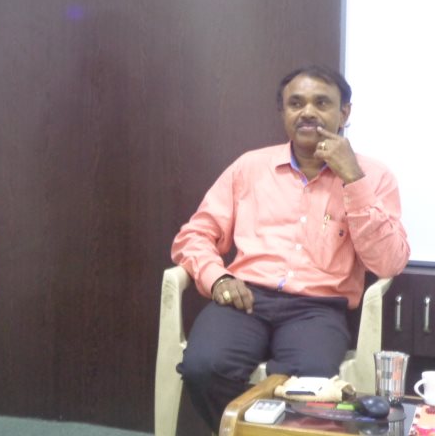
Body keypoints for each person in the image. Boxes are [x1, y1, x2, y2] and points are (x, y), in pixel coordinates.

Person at [170, 65, 409, 432]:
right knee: (204, 366)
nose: (308, 112)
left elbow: (390, 262)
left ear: (344, 112)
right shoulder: (250, 167)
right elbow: (195, 234)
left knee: (309, 386)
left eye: (322, 103)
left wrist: (353, 179)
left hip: (318, 309)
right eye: (296, 103)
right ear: (283, 113)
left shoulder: (374, 176)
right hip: (245, 299)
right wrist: (218, 278)